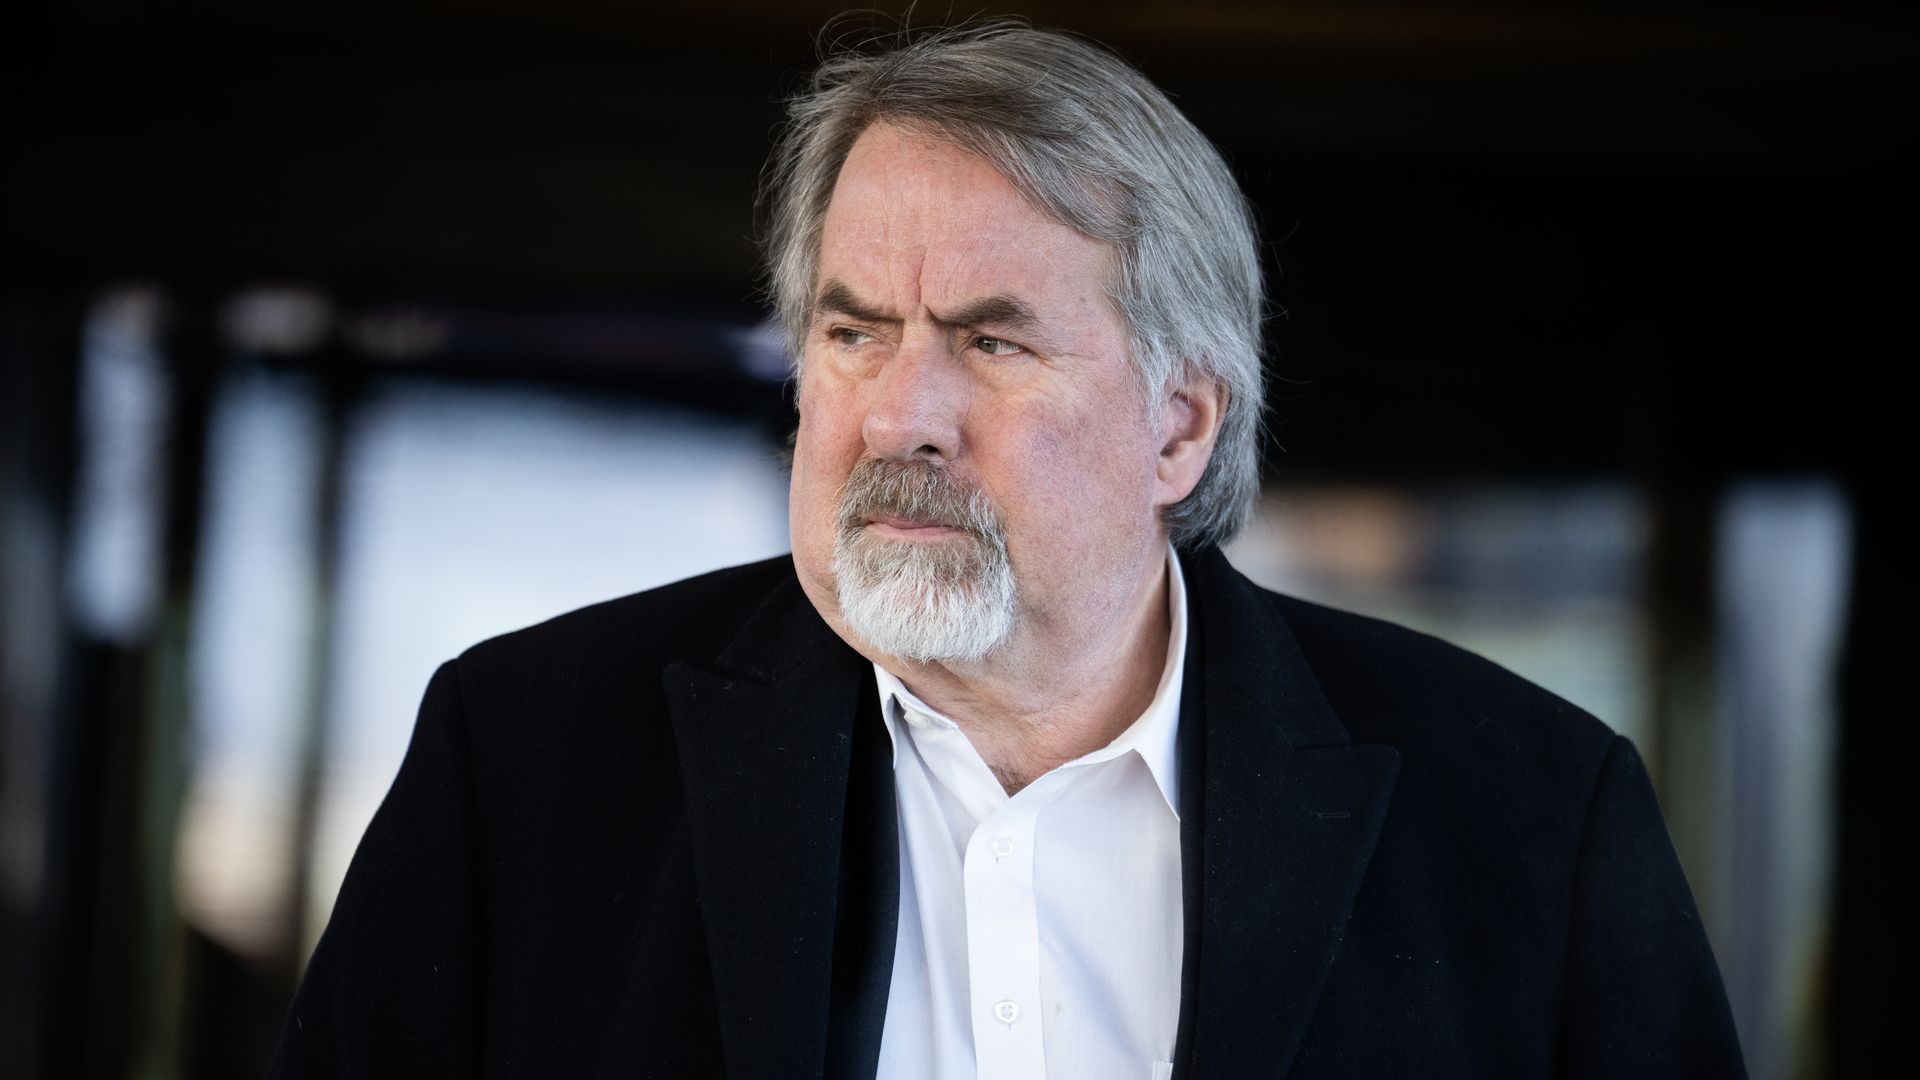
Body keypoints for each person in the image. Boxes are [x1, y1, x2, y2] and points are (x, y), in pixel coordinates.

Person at [269, 22, 1747, 1080]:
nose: (900, 412)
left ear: (1178, 428)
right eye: (853, 333)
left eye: (991, 339)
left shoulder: (1530, 818)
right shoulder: (523, 760)